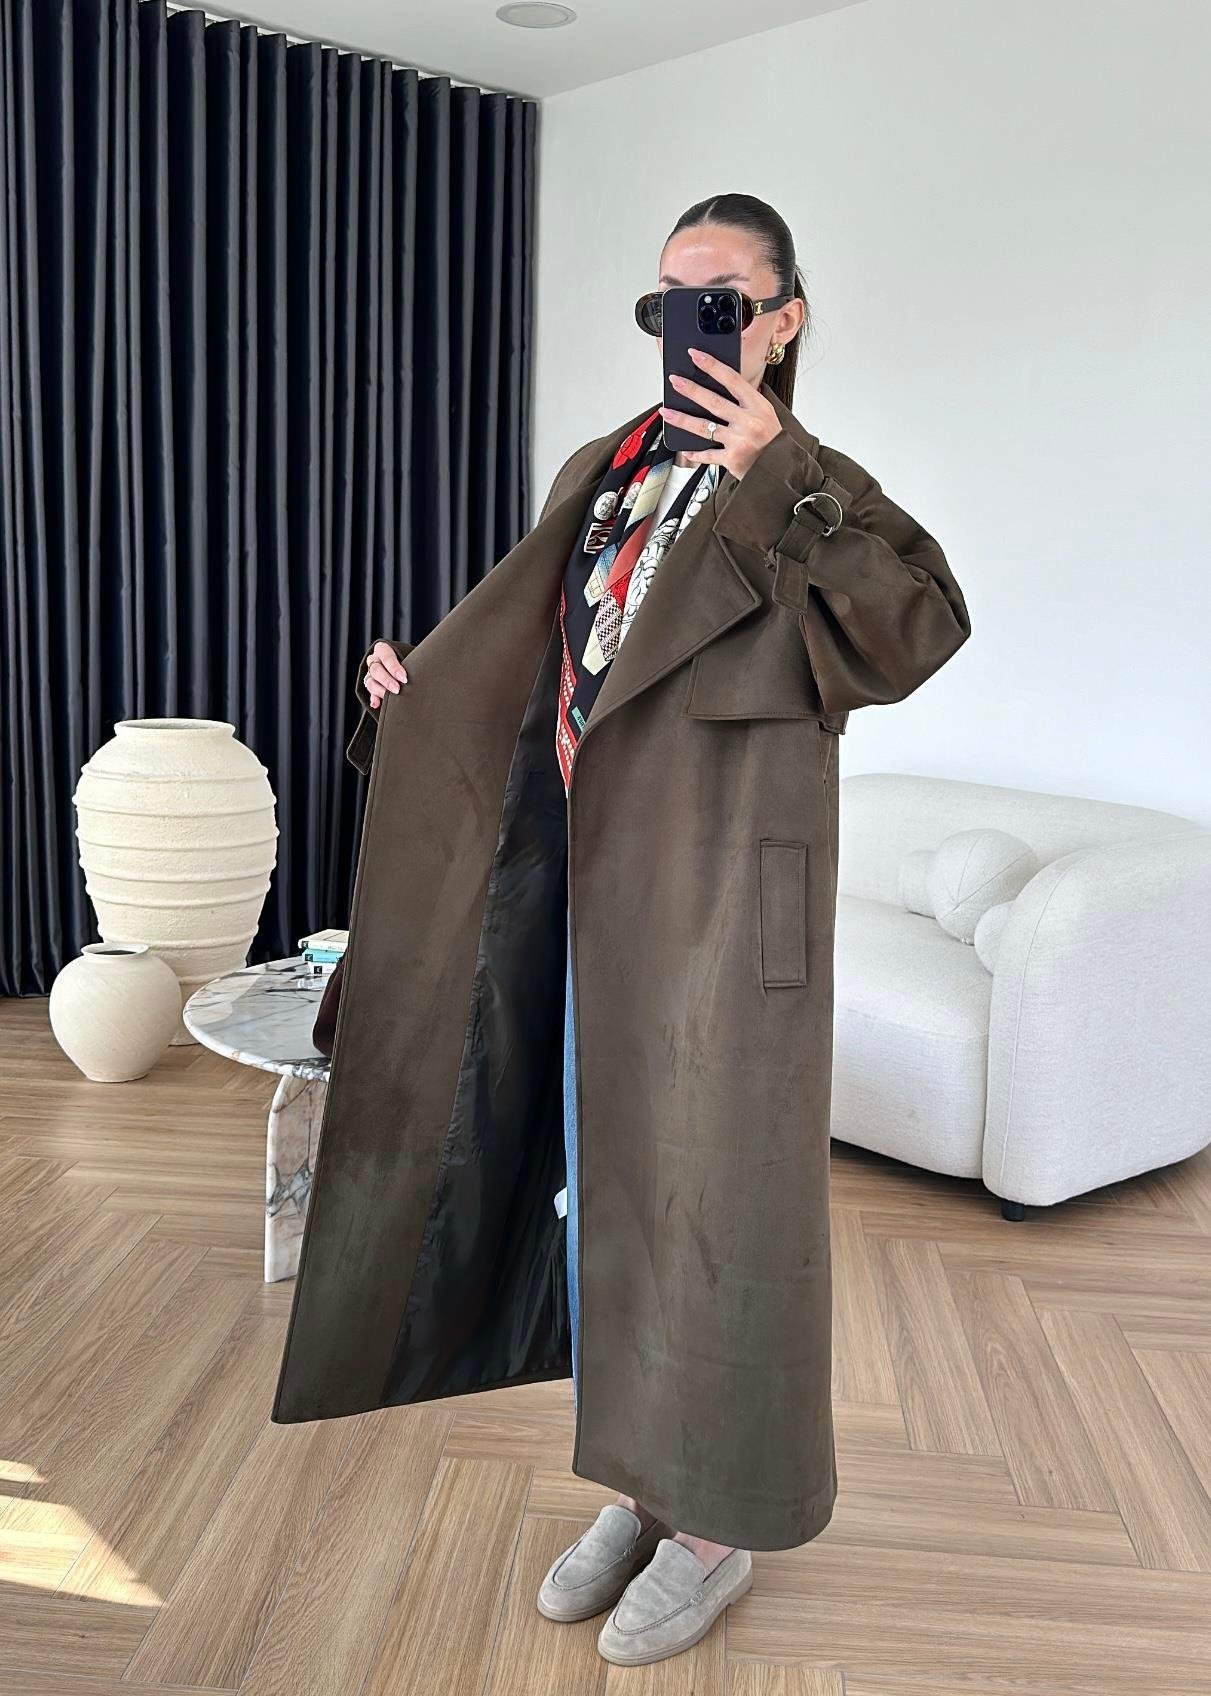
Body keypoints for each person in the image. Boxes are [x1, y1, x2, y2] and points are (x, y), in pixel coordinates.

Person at [356, 192, 969, 1666]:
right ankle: (641, 1485)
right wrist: (428, 696)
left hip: (730, 905)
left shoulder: (817, 487)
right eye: (665, 304)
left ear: (783, 319)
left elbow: (921, 631)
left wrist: (779, 471)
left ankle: (720, 1523)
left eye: (721, 301)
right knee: (615, 1200)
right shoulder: (607, 472)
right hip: (597, 894)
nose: (687, 329)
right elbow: (555, 665)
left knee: (725, 1212)